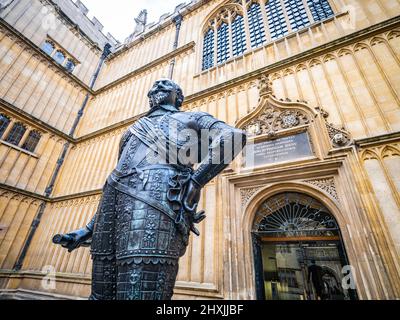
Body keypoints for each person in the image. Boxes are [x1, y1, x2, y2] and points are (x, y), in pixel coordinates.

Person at [53, 79, 247, 300]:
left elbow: (233, 136)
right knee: (100, 295)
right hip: (110, 213)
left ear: (179, 97)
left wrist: (196, 182)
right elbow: (120, 177)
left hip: (156, 204)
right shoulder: (131, 131)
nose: (159, 85)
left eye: (166, 86)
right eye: (155, 86)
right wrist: (88, 228)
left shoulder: (190, 118)